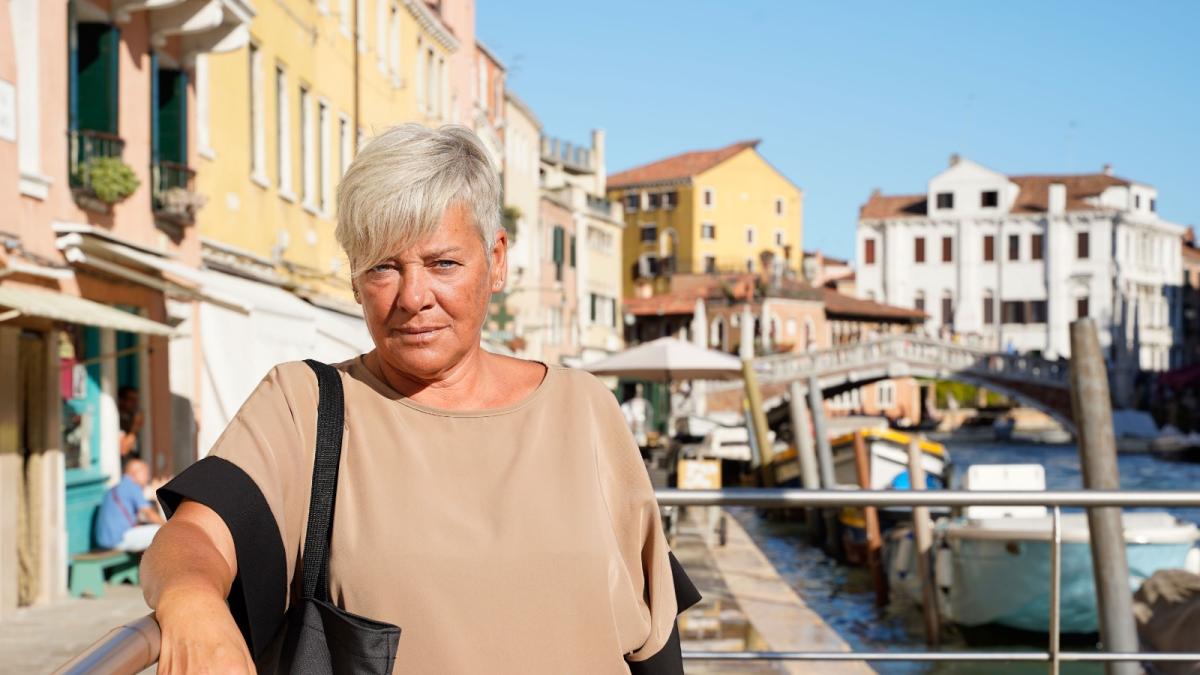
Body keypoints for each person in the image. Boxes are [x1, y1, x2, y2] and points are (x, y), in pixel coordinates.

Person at [143, 125, 698, 674]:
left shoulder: (584, 408)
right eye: (384, 266)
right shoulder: (304, 406)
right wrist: (191, 602)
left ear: (496, 261)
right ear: (356, 282)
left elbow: (653, 628)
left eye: (443, 264)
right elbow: (192, 536)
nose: (413, 297)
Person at [94, 457, 164, 551]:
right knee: (163, 532)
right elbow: (149, 514)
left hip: (103, 540)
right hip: (117, 540)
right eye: (145, 473)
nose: (148, 478)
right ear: (134, 473)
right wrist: (168, 525)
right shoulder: (132, 486)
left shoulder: (114, 488)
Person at [117, 386, 143, 457]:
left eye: (136, 400)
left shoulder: (129, 418)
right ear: (121, 400)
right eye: (131, 399)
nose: (135, 403)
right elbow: (123, 450)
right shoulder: (116, 421)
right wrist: (135, 427)